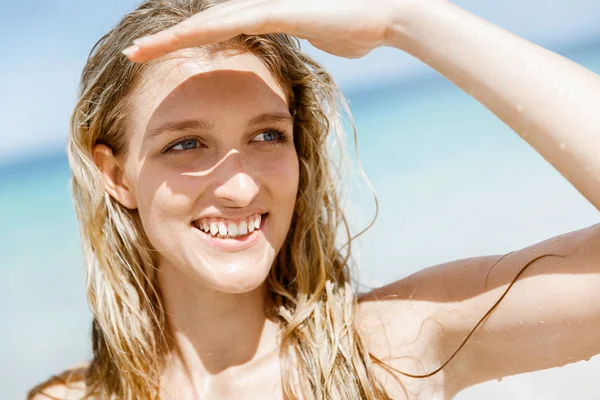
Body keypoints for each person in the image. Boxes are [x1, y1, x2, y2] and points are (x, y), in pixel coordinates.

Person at [29, 0, 600, 399]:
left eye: (268, 135)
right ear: (116, 175)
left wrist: (405, 19)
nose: (241, 187)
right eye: (186, 144)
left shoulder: (388, 353)